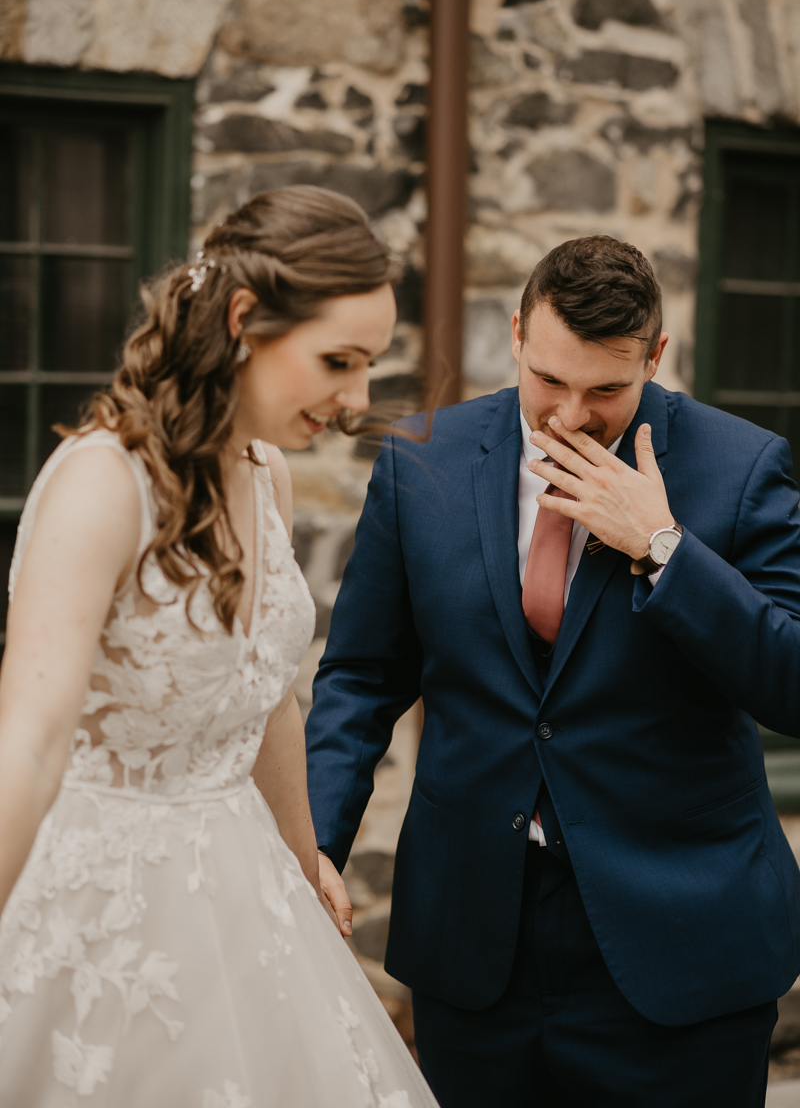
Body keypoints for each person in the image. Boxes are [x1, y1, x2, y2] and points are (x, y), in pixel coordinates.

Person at [306, 234, 800, 1108]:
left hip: (679, 940)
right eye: (549, 381)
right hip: (475, 937)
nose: (571, 415)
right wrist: (311, 846)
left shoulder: (743, 466)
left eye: (607, 389)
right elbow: (362, 676)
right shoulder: (422, 456)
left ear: (655, 355)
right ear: (517, 334)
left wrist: (663, 547)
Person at [0, 187, 439, 1108]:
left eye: (370, 366)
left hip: (243, 893)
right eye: (338, 361)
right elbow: (30, 746)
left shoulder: (264, 473)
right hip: (99, 902)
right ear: (245, 320)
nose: (357, 401)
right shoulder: (99, 483)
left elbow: (267, 697)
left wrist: (304, 853)